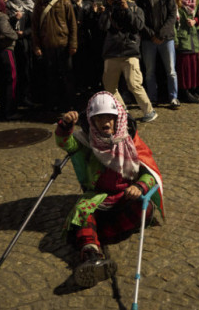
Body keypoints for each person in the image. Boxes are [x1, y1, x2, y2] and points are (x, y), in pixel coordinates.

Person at [55, 91, 164, 287]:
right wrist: (65, 125)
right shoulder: (86, 142)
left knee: (145, 208)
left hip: (125, 196)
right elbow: (66, 143)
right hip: (99, 198)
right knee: (81, 211)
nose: (105, 123)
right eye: (99, 118)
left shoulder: (131, 139)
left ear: (117, 118)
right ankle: (91, 255)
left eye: (109, 118)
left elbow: (150, 171)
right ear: (92, 121)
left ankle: (99, 232)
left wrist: (139, 186)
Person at [98, 0, 156, 123]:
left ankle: (149, 111)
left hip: (130, 51)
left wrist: (127, 10)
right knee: (110, 86)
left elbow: (138, 26)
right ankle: (123, 111)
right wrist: (108, 8)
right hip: (112, 52)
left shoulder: (136, 8)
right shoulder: (110, 8)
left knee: (134, 84)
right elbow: (103, 26)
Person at [31, 0, 77, 111]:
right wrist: (36, 45)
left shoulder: (64, 1)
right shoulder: (39, 4)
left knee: (66, 77)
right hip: (47, 47)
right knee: (51, 78)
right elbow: (35, 27)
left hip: (63, 46)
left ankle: (68, 105)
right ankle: (54, 104)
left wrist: (73, 44)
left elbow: (72, 24)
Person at [135, 0, 180, 108]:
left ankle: (173, 97)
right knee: (149, 71)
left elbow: (172, 15)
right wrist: (151, 34)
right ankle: (152, 97)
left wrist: (161, 34)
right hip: (149, 40)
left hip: (166, 38)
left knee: (171, 70)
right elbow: (139, 20)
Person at [173, 0, 199, 103]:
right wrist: (175, 40)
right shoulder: (175, 1)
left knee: (195, 66)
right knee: (185, 67)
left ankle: (193, 90)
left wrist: (196, 20)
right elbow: (173, 23)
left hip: (195, 37)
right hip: (183, 38)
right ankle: (184, 91)